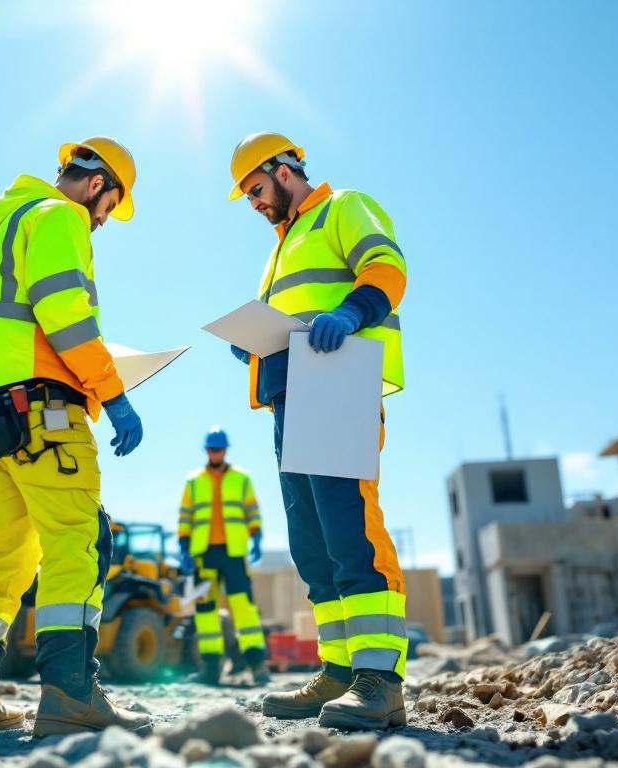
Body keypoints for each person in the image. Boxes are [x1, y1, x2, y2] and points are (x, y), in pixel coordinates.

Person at [0, 137, 152, 737]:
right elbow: (64, 312)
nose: (103, 222)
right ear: (99, 184)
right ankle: (71, 695)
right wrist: (113, 392)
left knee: (3, 553)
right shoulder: (61, 216)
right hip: (43, 412)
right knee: (77, 541)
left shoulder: (9, 224)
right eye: (109, 208)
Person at [226, 132, 409, 730]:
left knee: (351, 530)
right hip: (288, 395)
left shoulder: (342, 206)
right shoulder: (279, 248)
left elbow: (387, 267)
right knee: (311, 541)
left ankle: (379, 680)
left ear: (283, 171)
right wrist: (250, 347)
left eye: (256, 189)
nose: (254, 203)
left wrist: (352, 312)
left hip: (337, 381)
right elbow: (288, 316)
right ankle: (338, 670)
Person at [177, 426, 270, 685]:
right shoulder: (193, 481)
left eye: (219, 448)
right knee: (206, 611)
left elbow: (252, 510)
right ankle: (210, 670)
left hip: (233, 553)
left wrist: (257, 535)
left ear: (225, 450)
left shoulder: (242, 479)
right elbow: (185, 516)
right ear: (207, 450)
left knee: (244, 608)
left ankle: (257, 666)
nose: (215, 452)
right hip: (204, 555)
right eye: (211, 448)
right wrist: (184, 547)